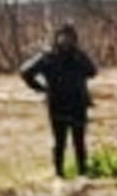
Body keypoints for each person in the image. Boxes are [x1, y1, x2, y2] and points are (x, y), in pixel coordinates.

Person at [21, 24, 99, 178]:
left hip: (78, 102)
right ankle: (59, 173)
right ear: (56, 38)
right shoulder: (48, 56)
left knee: (79, 140)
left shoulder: (78, 56)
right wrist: (41, 88)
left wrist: (80, 61)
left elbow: (93, 71)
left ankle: (82, 172)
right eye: (63, 36)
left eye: (70, 37)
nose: (66, 40)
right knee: (59, 141)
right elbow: (25, 72)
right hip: (58, 103)